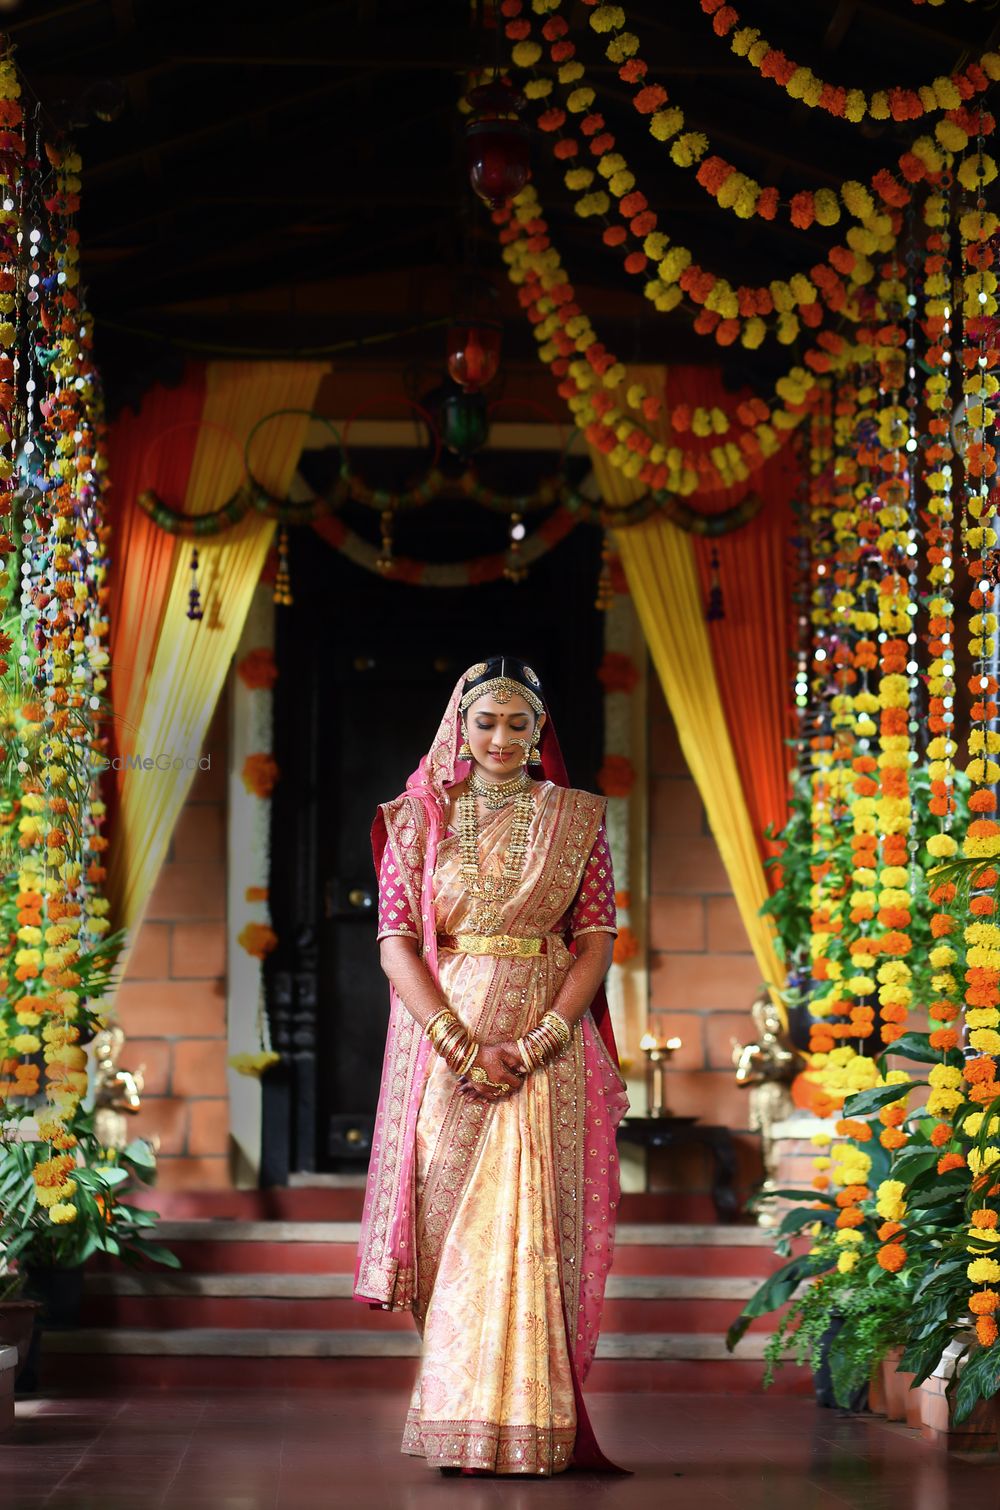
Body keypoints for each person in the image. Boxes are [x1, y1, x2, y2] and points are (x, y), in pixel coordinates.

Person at [354, 656, 629, 1477]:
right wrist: (460, 1042)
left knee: (533, 1231)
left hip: (548, 1046)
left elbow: (596, 940)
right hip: (443, 1042)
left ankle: (527, 1427)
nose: (502, 737)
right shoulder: (413, 820)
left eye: (518, 722)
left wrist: (540, 1040)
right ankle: (456, 1414)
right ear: (459, 728)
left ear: (540, 729)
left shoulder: (578, 818)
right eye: (486, 722)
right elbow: (396, 943)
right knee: (440, 1225)